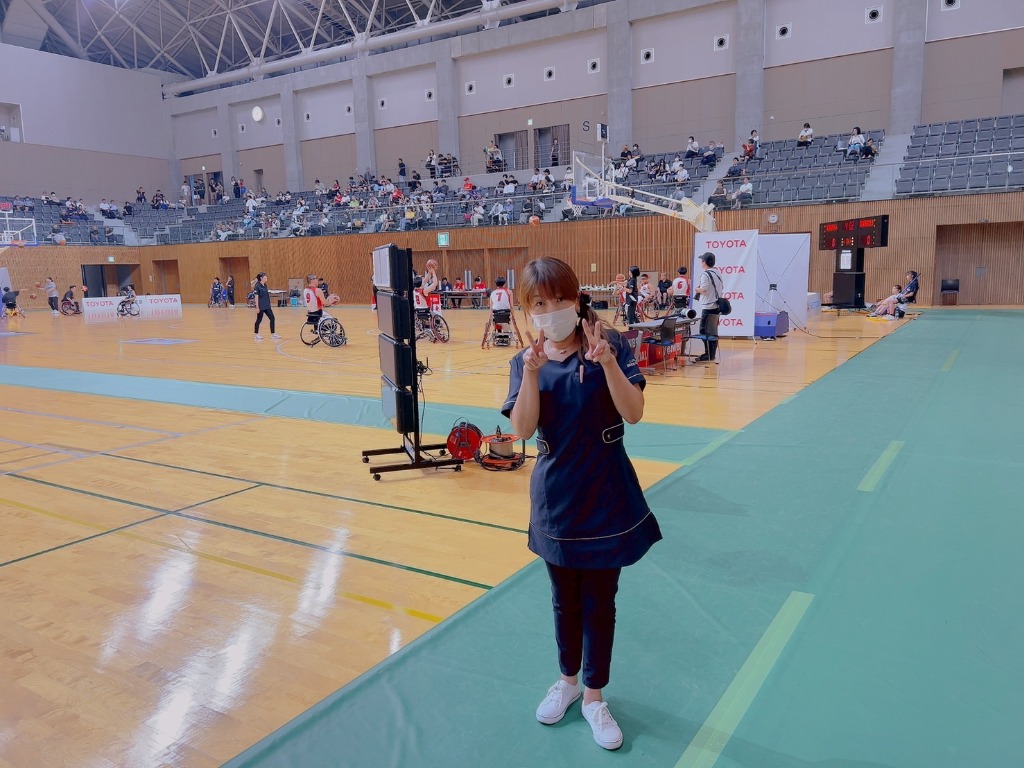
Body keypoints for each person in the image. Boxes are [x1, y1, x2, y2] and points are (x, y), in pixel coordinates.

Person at [502, 256, 661, 752]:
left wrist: (608, 362)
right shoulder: (524, 361)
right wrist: (532, 374)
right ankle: (567, 681)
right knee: (563, 598)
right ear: (528, 309)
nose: (550, 310)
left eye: (559, 298)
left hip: (606, 490)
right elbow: (522, 429)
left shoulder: (608, 343)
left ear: (576, 298)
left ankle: (594, 696)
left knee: (600, 601)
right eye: (539, 303)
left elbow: (634, 413)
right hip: (556, 496)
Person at [694, 252, 724, 361]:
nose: (701, 263)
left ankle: (708, 354)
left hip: (708, 306)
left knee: (704, 331)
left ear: (705, 262)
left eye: (702, 260)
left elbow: (704, 289)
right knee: (713, 331)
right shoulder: (718, 273)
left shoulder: (705, 274)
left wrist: (697, 289)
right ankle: (712, 354)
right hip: (716, 306)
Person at [303, 273, 339, 343]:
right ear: (312, 280)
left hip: (311, 314)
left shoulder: (305, 290)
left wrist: (328, 298)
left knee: (327, 320)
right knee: (334, 322)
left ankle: (319, 331)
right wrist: (332, 300)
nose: (317, 280)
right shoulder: (318, 290)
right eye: (316, 279)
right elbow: (326, 303)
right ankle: (330, 337)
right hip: (319, 313)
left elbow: (317, 301)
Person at [252, 272, 279, 342]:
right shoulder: (257, 286)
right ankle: (256, 334)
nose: (266, 277)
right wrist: (257, 307)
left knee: (272, 318)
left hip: (267, 306)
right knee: (259, 320)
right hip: (261, 306)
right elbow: (256, 297)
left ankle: (273, 334)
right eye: (265, 276)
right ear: (261, 278)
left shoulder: (265, 285)